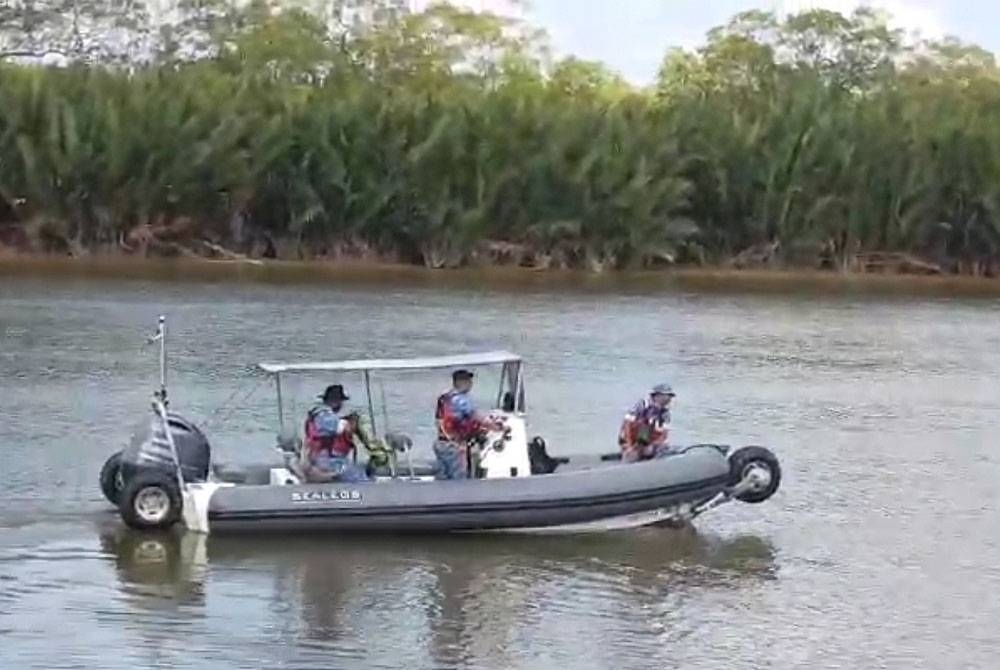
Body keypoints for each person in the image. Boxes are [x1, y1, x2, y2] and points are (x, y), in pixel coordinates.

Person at [433, 369, 502, 479]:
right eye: (468, 381)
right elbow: (475, 415)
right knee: (459, 479)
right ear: (460, 382)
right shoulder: (461, 399)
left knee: (442, 479)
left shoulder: (445, 397)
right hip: (455, 447)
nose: (471, 383)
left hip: (441, 444)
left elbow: (439, 420)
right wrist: (496, 426)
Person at [303, 384, 369, 483]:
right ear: (336, 401)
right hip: (328, 461)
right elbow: (337, 427)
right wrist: (352, 423)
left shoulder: (321, 414)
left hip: (323, 459)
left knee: (360, 470)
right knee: (360, 479)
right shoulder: (323, 415)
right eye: (341, 401)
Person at [618, 382, 676, 463]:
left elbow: (663, 433)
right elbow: (627, 424)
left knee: (663, 445)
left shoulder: (665, 413)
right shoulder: (643, 405)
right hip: (633, 436)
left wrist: (656, 444)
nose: (669, 399)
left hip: (647, 439)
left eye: (670, 396)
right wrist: (629, 445)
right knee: (645, 426)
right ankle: (631, 456)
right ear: (657, 396)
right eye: (667, 395)